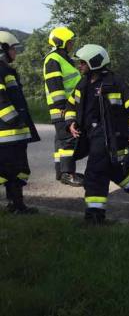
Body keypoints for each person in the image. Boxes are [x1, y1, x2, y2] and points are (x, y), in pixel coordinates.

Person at [64, 44, 129, 224]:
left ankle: (94, 216)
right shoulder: (83, 82)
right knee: (114, 170)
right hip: (90, 135)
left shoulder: (115, 82)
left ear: (94, 63)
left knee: (94, 172)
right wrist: (70, 123)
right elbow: (71, 105)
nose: (79, 66)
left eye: (83, 63)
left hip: (110, 135)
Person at [0, 31, 40, 214]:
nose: (15, 52)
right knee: (14, 171)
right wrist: (15, 120)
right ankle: (17, 206)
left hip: (13, 134)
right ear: (3, 50)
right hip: (8, 134)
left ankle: (15, 205)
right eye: (13, 48)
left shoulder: (6, 69)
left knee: (15, 171)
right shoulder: (1, 70)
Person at [43, 26, 83, 186]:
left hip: (65, 106)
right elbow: (54, 83)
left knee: (61, 140)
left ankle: (61, 172)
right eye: (70, 42)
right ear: (62, 42)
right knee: (68, 140)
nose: (72, 44)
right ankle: (68, 174)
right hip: (63, 107)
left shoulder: (63, 57)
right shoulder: (53, 59)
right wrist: (63, 106)